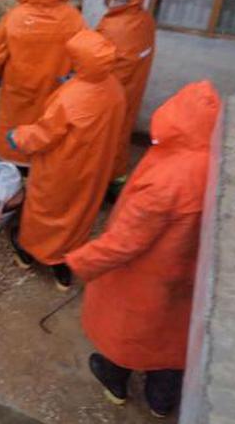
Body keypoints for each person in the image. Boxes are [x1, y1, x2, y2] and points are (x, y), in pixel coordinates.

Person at [65, 81, 221, 418]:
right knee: (171, 339)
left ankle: (115, 381)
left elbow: (126, 241)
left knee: (128, 332)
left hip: (145, 276)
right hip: (187, 275)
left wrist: (82, 261)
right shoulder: (216, 164)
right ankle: (161, 401)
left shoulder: (168, 177)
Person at [5, 29, 126, 290]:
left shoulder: (70, 97)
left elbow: (44, 134)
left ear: (80, 62)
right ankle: (63, 268)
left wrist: (18, 136)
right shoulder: (115, 89)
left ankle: (27, 253)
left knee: (45, 209)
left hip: (62, 167)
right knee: (77, 213)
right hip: (94, 168)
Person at [0, 0, 85, 166]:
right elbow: (83, 53)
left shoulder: (16, 16)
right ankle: (38, 162)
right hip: (55, 85)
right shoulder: (73, 18)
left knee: (13, 120)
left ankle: (10, 158)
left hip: (18, 85)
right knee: (47, 123)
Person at [96, 0, 156, 183]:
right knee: (121, 133)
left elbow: (94, 60)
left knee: (104, 137)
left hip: (107, 95)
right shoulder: (144, 20)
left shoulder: (113, 27)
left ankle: (102, 181)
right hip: (132, 89)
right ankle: (116, 177)